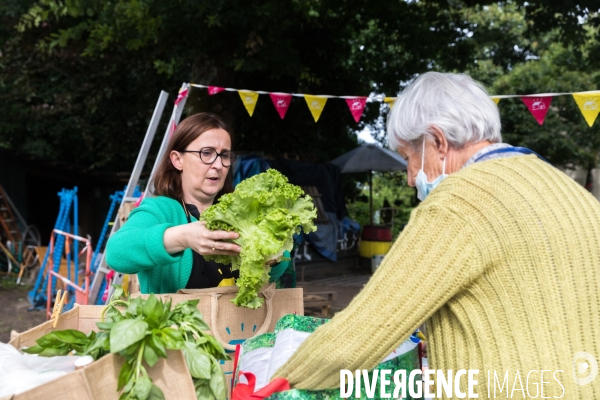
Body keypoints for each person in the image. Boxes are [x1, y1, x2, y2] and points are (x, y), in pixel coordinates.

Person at [274, 72, 600, 398]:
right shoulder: (572, 194)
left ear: (438, 141)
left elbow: (362, 332)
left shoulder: (460, 201)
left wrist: (277, 384)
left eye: (408, 158)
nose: (409, 178)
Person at [106, 112, 287, 294]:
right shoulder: (160, 210)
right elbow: (116, 253)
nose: (218, 164)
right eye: (206, 153)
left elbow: (272, 274)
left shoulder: (241, 214)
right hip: (174, 323)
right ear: (177, 160)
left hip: (239, 322)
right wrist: (182, 237)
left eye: (224, 155)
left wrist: (273, 254)